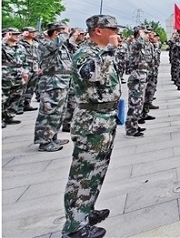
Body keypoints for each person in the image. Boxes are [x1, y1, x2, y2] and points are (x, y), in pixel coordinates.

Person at [61, 15, 123, 238]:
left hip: (105, 117)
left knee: (97, 169)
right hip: (92, 120)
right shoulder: (85, 53)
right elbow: (92, 76)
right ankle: (74, 227)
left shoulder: (98, 52)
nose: (116, 32)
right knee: (83, 173)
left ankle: (86, 210)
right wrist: (109, 51)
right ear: (98, 30)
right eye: (112, 28)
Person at [34, 22, 72, 152]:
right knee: (48, 113)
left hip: (61, 82)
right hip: (51, 82)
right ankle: (44, 142)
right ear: (56, 32)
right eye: (63, 31)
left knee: (58, 113)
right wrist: (64, 34)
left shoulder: (60, 46)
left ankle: (53, 137)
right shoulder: (46, 44)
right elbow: (53, 46)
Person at [2, 28, 29, 128]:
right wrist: (4, 39)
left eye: (18, 34)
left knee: (15, 96)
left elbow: (24, 61)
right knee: (3, 97)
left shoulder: (20, 47)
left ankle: (9, 116)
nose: (17, 36)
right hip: (5, 76)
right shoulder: (3, 46)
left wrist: (25, 72)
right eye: (14, 34)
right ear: (8, 34)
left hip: (18, 75)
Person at [18, 27, 41, 112]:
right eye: (31, 32)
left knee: (32, 87)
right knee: (22, 86)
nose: (34, 33)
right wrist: (22, 35)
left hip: (35, 66)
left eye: (34, 32)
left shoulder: (36, 42)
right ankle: (19, 106)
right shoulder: (20, 41)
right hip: (25, 66)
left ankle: (27, 104)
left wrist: (39, 66)